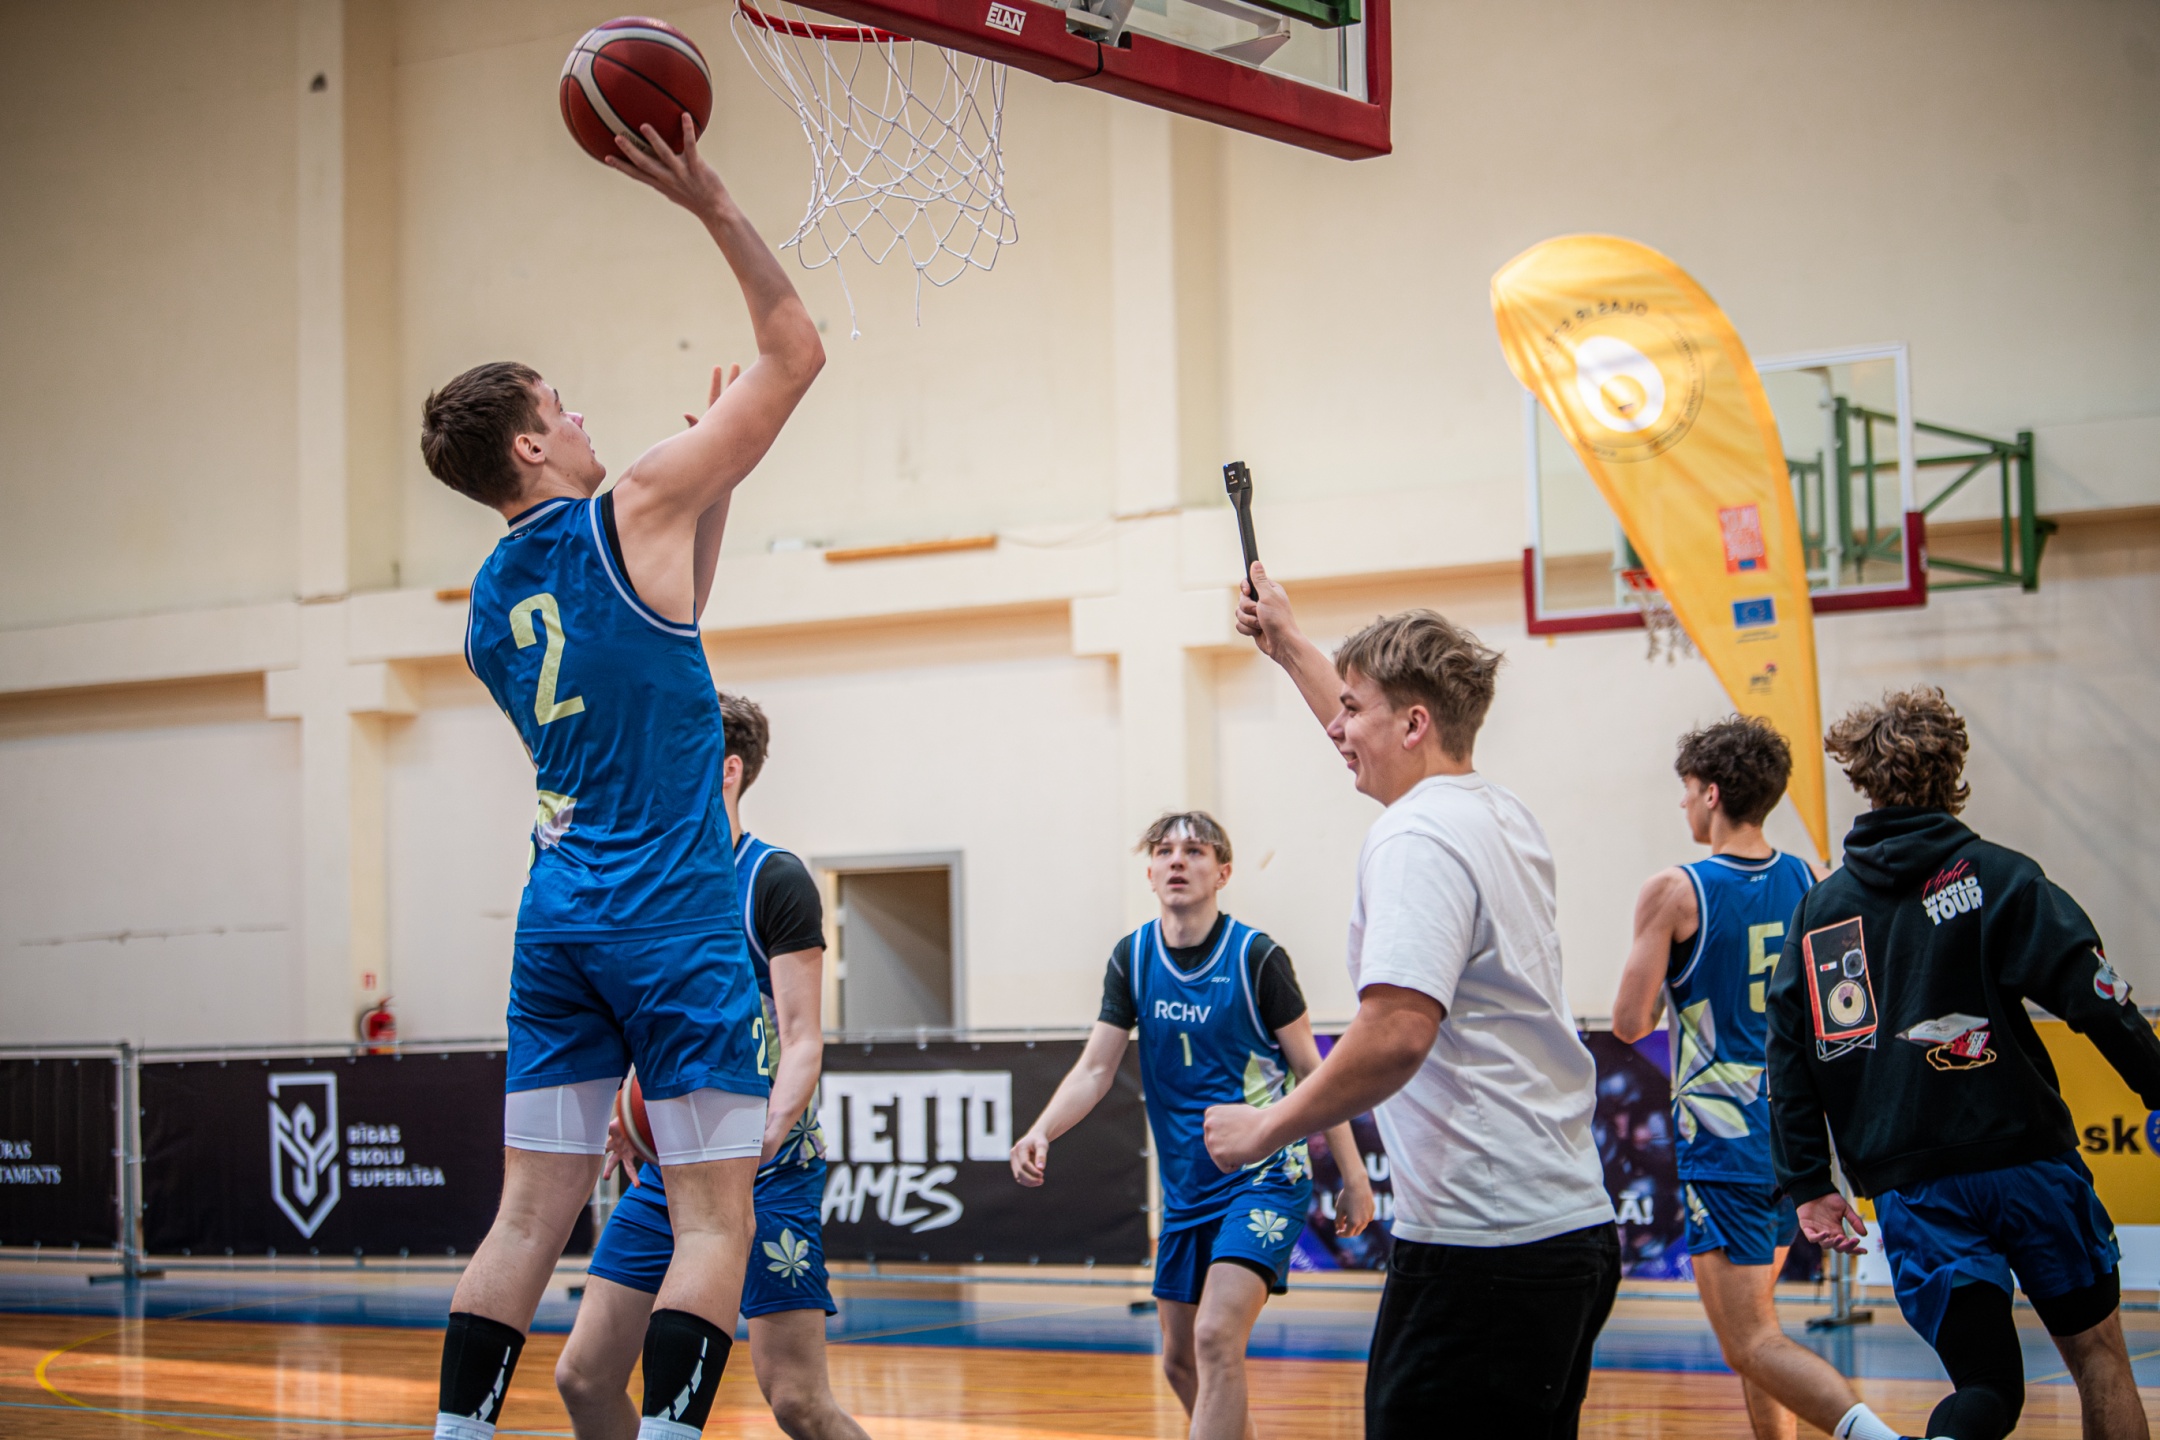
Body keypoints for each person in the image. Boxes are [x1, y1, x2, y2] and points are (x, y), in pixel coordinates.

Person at [420, 115, 823, 1440]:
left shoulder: (489, 607)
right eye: (561, 406)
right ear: (530, 448)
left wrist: (712, 478)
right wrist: (709, 198)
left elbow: (672, 619)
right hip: (669, 914)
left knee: (527, 1215)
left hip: (558, 920)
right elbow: (795, 353)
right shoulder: (630, 505)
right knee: (714, 1218)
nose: (582, 415)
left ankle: (458, 1434)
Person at [1203, 567, 1618, 1440]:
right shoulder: (1494, 812)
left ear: (1415, 723)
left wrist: (1267, 1128)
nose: (1338, 728)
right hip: (1562, 1232)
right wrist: (1289, 645)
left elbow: (1396, 1034)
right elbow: (1368, 728)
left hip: (1486, 1250)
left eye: (1354, 711)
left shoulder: (1417, 836)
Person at [1769, 686, 2160, 1440]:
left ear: (1861, 777)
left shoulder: (1821, 914)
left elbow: (1788, 1056)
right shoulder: (2000, 876)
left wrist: (1809, 1183)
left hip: (1914, 1188)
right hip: (2028, 1163)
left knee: (1987, 1386)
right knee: (2098, 1358)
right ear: (1954, 771)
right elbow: (2096, 997)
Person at [556, 694, 868, 1440]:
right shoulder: (651, 885)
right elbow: (652, 1022)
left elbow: (802, 1039)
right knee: (584, 1378)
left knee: (797, 1403)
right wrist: (631, 1103)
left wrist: (766, 1133)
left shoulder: (772, 879)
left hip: (767, 1168)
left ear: (728, 771)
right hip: (672, 1169)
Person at [1010, 810, 1373, 1440]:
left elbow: (1314, 1074)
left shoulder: (1257, 957)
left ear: (1223, 873)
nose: (1178, 860)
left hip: (1264, 1177)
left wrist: (1354, 1174)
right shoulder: (1132, 958)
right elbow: (1095, 1069)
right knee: (1181, 1362)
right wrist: (1042, 1129)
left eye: (1196, 850)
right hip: (1186, 1191)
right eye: (1164, 851)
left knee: (1214, 1336)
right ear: (1150, 873)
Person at [1612, 717, 1906, 1440]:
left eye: (1687, 790)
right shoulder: (1812, 880)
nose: (1683, 804)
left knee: (1749, 1342)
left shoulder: (1675, 890)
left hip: (1722, 1138)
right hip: (1794, 1140)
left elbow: (1629, 1022)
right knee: (1761, 1336)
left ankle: (1877, 1437)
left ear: (1712, 793)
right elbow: (1847, 1017)